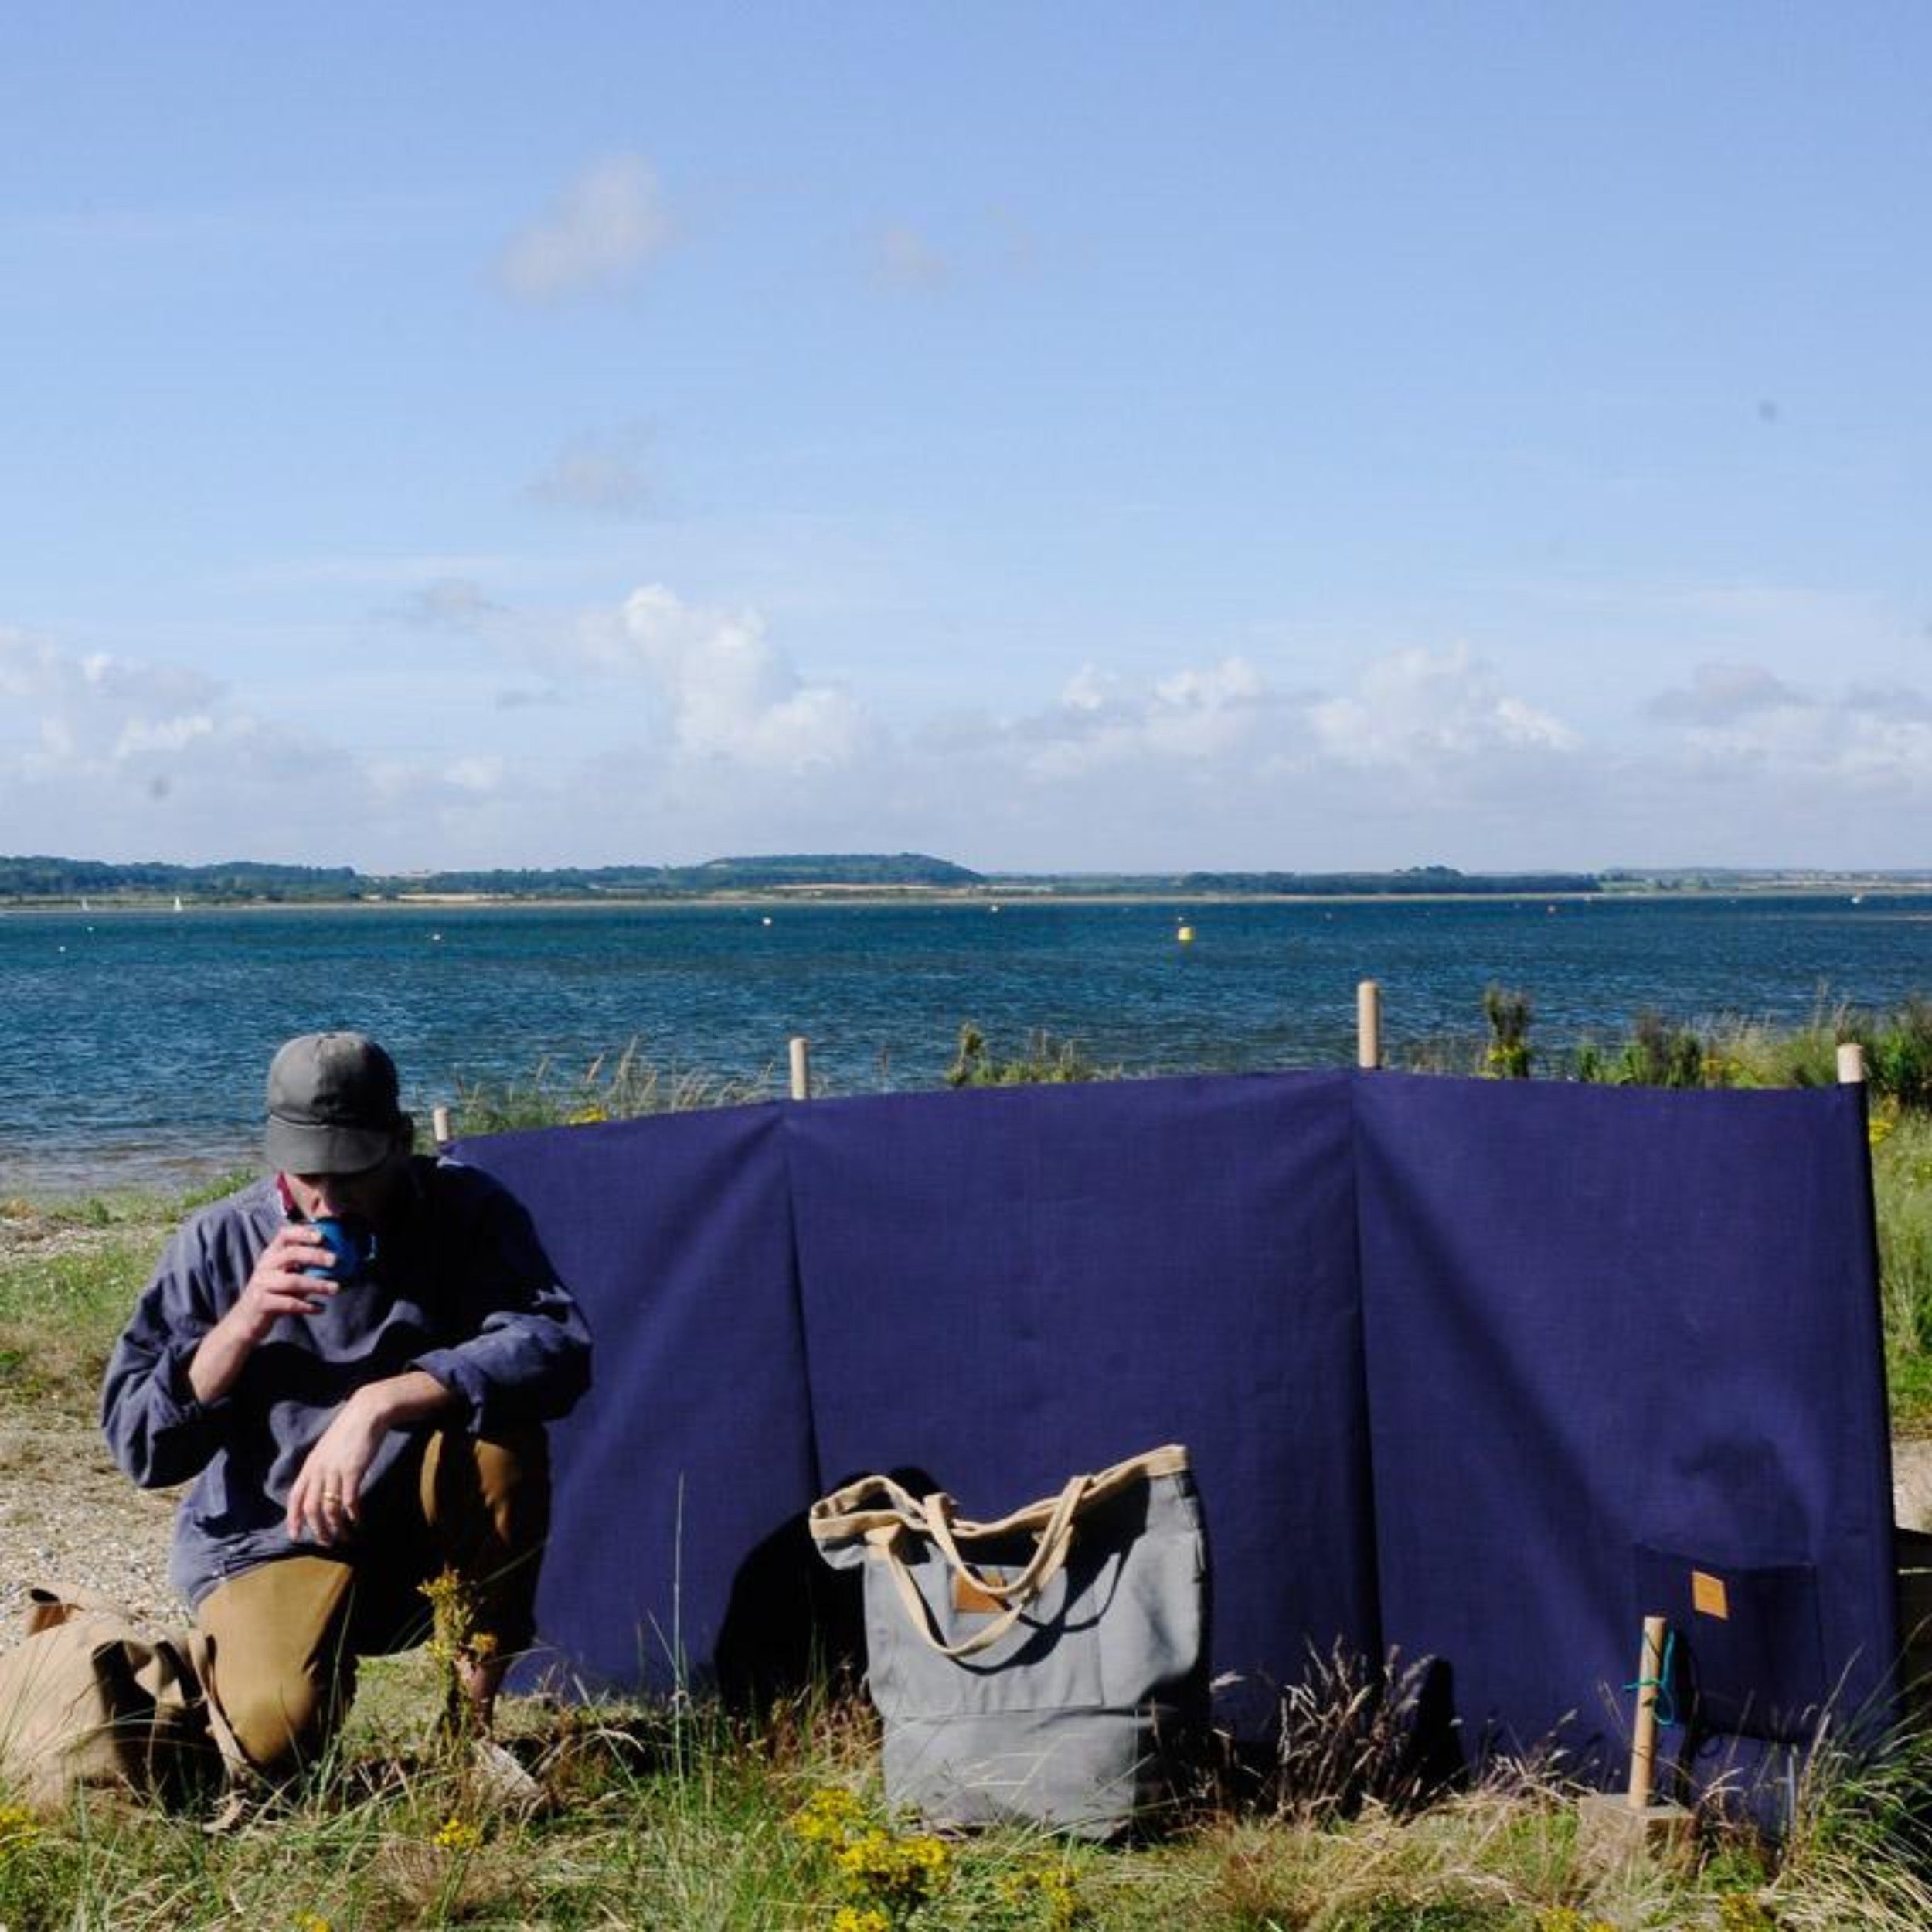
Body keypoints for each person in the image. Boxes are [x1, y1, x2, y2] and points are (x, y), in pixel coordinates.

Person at [100, 1031, 593, 1783]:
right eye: (306, 1175)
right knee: (273, 1740)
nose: (327, 1200)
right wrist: (242, 1323)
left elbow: (556, 1346)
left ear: (399, 1144)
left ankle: (471, 1731)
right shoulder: (219, 1242)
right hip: (273, 1533)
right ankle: (237, 1673)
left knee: (504, 1438)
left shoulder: (465, 1211)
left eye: (352, 1172)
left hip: (419, 1529)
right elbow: (140, 1449)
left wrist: (383, 1401)